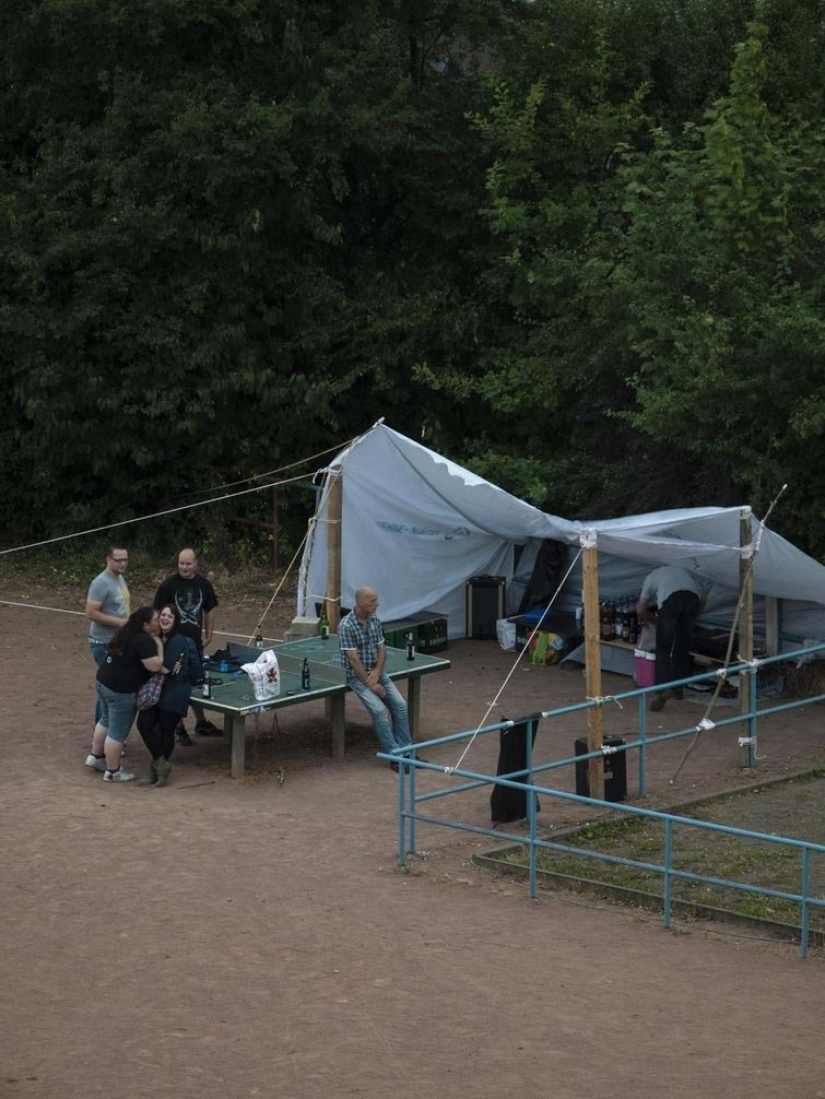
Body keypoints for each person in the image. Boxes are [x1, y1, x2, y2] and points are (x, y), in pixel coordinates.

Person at [84, 606, 168, 782]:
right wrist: (159, 645)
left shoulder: (126, 633)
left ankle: (96, 757)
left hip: (103, 682)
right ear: (145, 624)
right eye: (155, 620)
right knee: (118, 731)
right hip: (121, 691)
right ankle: (113, 771)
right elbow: (154, 665)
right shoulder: (144, 641)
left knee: (105, 720)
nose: (159, 622)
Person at [338, 587, 412, 770]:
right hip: (356, 676)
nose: (377, 604)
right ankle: (395, 756)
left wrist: (378, 672)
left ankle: (407, 751)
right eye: (372, 601)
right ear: (360, 603)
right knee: (379, 713)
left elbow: (382, 648)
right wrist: (370, 683)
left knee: (400, 706)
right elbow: (353, 659)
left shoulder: (375, 620)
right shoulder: (346, 625)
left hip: (376, 673)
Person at [153, 547, 220, 744]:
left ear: (195, 564)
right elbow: (157, 612)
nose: (184, 567)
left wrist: (208, 635)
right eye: (181, 563)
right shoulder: (169, 585)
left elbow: (210, 610)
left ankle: (201, 722)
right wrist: (160, 638)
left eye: (188, 563)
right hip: (174, 645)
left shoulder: (203, 585)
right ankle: (178, 727)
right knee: (176, 684)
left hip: (194, 645)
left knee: (194, 682)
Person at [636, 565, 707, 712]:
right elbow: (703, 598)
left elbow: (640, 609)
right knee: (682, 647)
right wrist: (693, 614)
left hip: (671, 601)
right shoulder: (683, 571)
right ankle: (678, 689)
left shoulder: (651, 577)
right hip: (692, 600)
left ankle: (663, 690)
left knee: (663, 647)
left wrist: (655, 620)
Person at [136, 603, 189, 786]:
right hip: (158, 690)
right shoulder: (157, 638)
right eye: (162, 616)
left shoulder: (178, 641)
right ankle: (160, 765)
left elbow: (163, 667)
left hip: (175, 691)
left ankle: (157, 771)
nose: (165, 619)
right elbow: (162, 667)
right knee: (144, 724)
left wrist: (161, 667)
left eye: (169, 616)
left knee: (166, 729)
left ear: (176, 621)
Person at [85, 545, 131, 724]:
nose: (122, 563)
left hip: (118, 641)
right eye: (118, 560)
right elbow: (91, 612)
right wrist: (121, 623)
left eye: (125, 559)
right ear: (108, 559)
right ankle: (102, 731)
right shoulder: (101, 582)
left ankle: (108, 732)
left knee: (112, 686)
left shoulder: (119, 579)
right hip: (103, 642)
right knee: (108, 687)